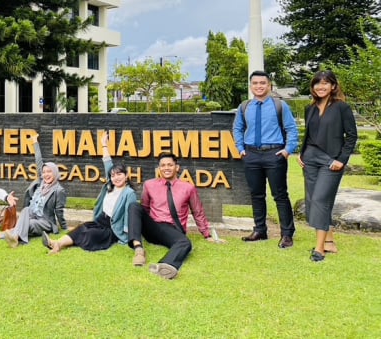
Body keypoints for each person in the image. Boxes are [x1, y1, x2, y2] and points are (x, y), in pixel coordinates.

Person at [126, 153, 225, 280]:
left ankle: (165, 266)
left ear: (177, 167)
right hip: (153, 227)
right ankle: (139, 249)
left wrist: (207, 235)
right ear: (159, 168)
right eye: (163, 165)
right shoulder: (149, 185)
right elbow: (144, 208)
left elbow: (197, 211)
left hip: (172, 230)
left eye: (170, 165)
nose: (166, 168)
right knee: (134, 206)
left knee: (185, 242)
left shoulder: (188, 188)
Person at [232, 70, 299, 248]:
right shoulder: (244, 106)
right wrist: (240, 148)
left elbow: (291, 128)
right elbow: (237, 128)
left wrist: (287, 150)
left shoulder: (279, 105)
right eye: (255, 83)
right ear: (251, 86)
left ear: (269, 85)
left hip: (274, 154)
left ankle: (287, 234)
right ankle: (260, 230)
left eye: (263, 83)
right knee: (256, 194)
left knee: (280, 195)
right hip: (251, 154)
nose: (259, 86)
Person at [40, 134, 137, 254]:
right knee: (81, 228)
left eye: (119, 174)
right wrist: (104, 144)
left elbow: (130, 214)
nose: (116, 178)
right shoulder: (110, 186)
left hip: (112, 226)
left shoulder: (129, 193)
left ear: (126, 176)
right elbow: (107, 162)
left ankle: (58, 244)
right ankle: (57, 244)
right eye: (113, 175)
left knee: (90, 234)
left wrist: (127, 235)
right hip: (101, 220)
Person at [297, 70, 357, 262]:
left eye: (325, 83)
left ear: (333, 86)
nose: (320, 87)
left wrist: (342, 159)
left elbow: (351, 136)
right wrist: (301, 152)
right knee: (314, 199)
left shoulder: (342, 108)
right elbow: (309, 134)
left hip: (331, 160)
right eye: (317, 83)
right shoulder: (310, 108)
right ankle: (329, 239)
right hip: (310, 159)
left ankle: (319, 247)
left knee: (320, 200)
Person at [0, 135, 67, 247]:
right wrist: (35, 143)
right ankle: (11, 236)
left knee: (28, 224)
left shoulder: (59, 190)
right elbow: (39, 162)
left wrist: (64, 227)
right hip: (31, 216)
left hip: (45, 221)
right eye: (44, 172)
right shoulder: (42, 182)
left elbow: (59, 210)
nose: (46, 174)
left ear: (55, 173)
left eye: (49, 172)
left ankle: (6, 236)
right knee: (25, 211)